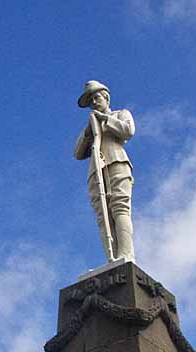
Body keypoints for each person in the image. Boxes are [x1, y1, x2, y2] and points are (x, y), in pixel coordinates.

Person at [74, 80, 136, 263]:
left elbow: (128, 130)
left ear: (106, 97)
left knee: (119, 208)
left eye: (96, 97)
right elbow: (78, 153)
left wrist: (105, 120)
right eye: (90, 99)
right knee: (103, 216)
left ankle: (126, 255)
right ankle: (112, 256)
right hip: (96, 170)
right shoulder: (91, 125)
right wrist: (88, 131)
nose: (93, 102)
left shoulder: (120, 114)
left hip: (116, 161)